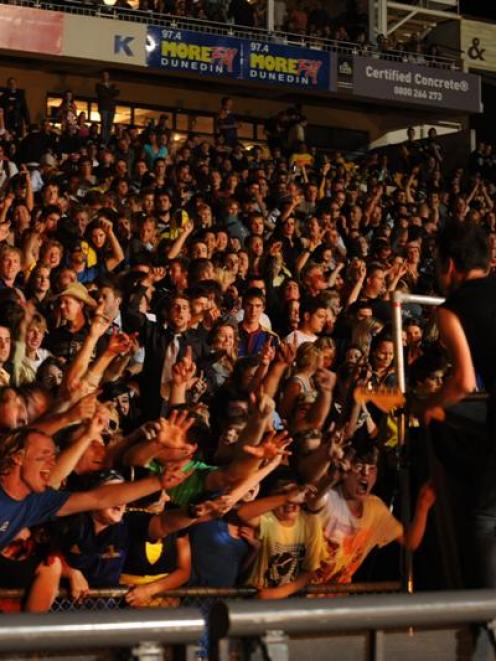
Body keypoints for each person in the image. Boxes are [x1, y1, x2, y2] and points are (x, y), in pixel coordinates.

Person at [417, 221, 496, 588]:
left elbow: (462, 382)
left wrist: (429, 405)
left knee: (485, 517)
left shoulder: (451, 310)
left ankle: (487, 614)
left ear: (449, 265)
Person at [95, 71, 119, 145]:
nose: (105, 77)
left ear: (108, 77)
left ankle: (107, 141)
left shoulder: (112, 85)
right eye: (104, 75)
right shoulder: (98, 85)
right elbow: (102, 94)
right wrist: (111, 92)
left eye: (106, 75)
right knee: (104, 124)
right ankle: (103, 141)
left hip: (111, 108)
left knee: (109, 125)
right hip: (103, 107)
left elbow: (117, 93)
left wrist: (110, 92)